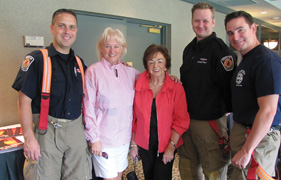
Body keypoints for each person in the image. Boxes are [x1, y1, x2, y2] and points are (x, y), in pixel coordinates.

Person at [12, 9, 91, 180]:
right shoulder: (37, 60)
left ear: (76, 31)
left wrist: (119, 67)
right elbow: (23, 100)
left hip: (75, 130)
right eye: (62, 26)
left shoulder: (79, 63)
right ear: (52, 28)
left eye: (72, 27)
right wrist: (29, 138)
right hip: (45, 131)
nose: (67, 32)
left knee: (80, 176)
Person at [179, 2, 237, 180]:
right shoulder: (189, 49)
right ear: (192, 21)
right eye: (197, 20)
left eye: (205, 20)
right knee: (188, 168)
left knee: (213, 171)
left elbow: (229, 90)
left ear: (213, 22)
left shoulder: (222, 52)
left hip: (210, 124)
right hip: (187, 122)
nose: (200, 25)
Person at [225, 11, 281, 179]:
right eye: (230, 33)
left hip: (258, 139)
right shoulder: (247, 59)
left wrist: (246, 150)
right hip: (244, 133)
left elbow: (268, 111)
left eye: (240, 30)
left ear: (253, 28)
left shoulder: (266, 61)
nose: (235, 37)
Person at [83, 27, 140, 180]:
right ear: (101, 48)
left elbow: (153, 80)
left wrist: (170, 77)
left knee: (118, 177)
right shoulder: (93, 72)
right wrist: (94, 139)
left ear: (123, 49)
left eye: (117, 46)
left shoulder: (130, 72)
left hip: (123, 139)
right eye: (107, 46)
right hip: (104, 140)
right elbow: (87, 108)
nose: (112, 50)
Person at [129, 44, 190, 180]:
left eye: (159, 61)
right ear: (146, 65)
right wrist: (133, 144)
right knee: (149, 176)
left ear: (166, 65)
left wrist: (171, 146)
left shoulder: (176, 88)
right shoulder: (139, 86)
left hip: (166, 144)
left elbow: (181, 121)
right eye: (151, 61)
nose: (155, 65)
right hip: (145, 144)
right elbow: (134, 119)